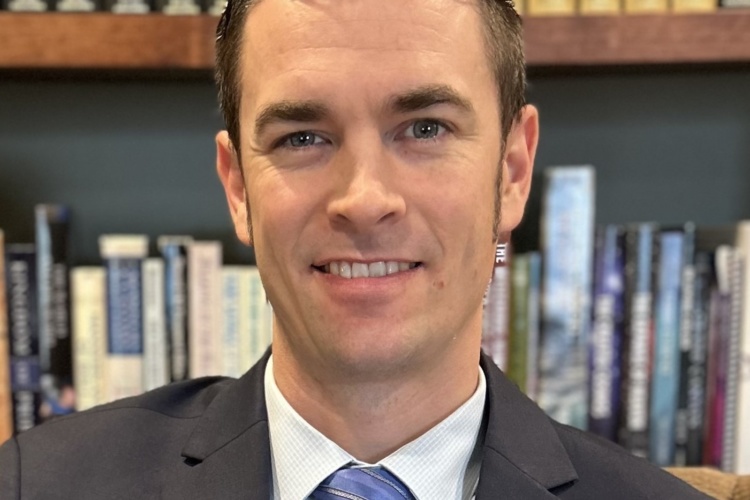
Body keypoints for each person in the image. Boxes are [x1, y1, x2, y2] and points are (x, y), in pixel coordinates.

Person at [0, 0, 710, 498]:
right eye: (302, 137)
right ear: (238, 186)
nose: (365, 199)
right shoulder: (37, 485)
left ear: (513, 171)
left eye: (426, 128)